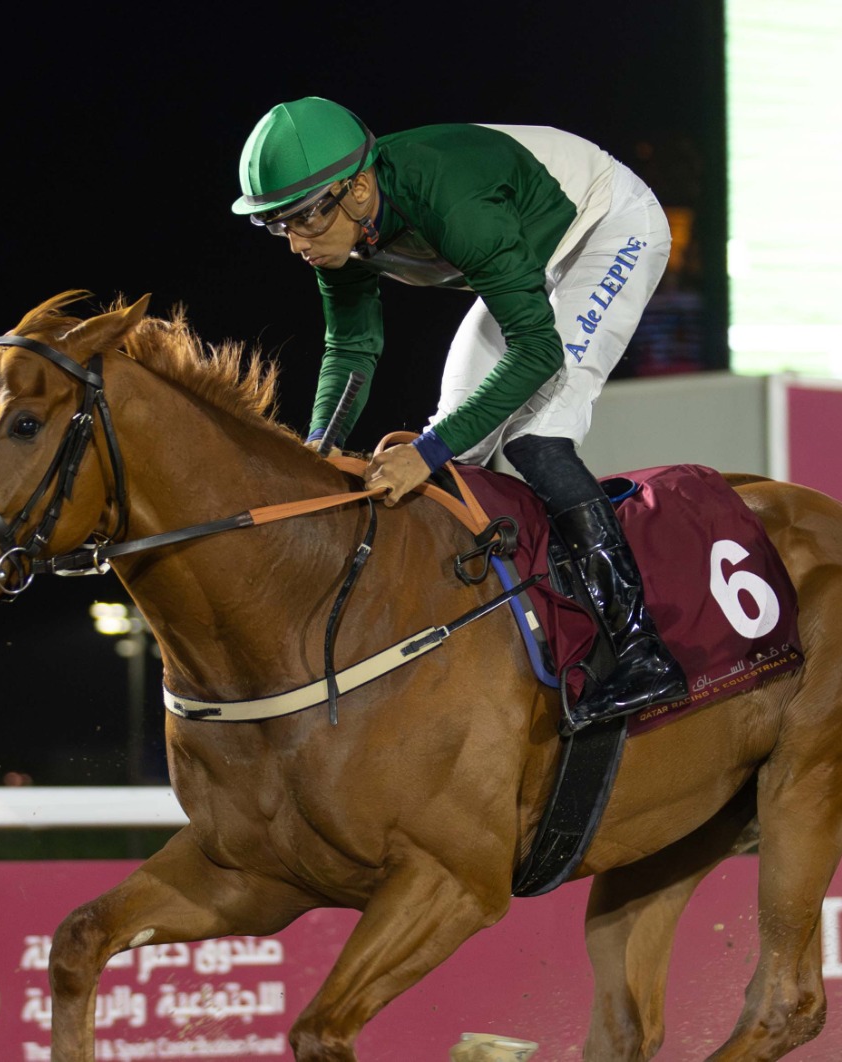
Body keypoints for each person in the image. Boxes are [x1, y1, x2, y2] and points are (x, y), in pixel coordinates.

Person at [230, 96, 685, 733]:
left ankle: (641, 650)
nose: (295, 243)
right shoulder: (342, 233)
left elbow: (537, 349)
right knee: (456, 457)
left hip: (607, 226)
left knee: (534, 436)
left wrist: (426, 450)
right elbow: (353, 347)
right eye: (278, 226)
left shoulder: (449, 198)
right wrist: (318, 447)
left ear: (359, 190)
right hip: (528, 255)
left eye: (303, 220)